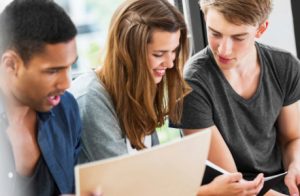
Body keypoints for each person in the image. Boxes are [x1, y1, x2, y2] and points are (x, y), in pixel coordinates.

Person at [70, 0, 264, 195]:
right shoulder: (91, 100)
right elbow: (125, 190)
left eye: (173, 51)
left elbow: (152, 179)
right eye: (159, 54)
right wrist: (206, 192)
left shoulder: (138, 89)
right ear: (128, 53)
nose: (170, 63)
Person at [170, 0, 300, 195]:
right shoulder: (191, 85)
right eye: (215, 33)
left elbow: (292, 138)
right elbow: (233, 183)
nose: (224, 49)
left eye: (239, 37)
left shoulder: (285, 65)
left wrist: (295, 166)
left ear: (261, 29)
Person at [0, 0, 81, 195]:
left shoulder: (66, 108)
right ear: (11, 64)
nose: (66, 84)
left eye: (70, 66)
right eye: (52, 71)